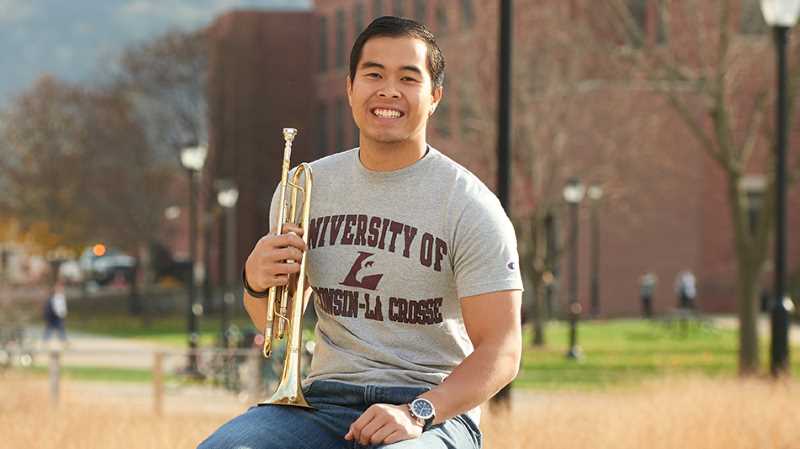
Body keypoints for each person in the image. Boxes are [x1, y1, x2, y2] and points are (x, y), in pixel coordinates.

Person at [198, 16, 523, 449]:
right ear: (350, 88)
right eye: (374, 74)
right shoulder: (304, 186)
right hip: (320, 402)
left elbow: (503, 349)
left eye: (408, 78)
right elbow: (276, 327)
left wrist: (418, 413)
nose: (388, 90)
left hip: (432, 409)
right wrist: (256, 282)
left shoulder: (469, 205)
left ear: (435, 97)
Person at [42, 278, 68, 344]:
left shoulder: (61, 297)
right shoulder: (54, 297)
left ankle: (63, 340)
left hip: (59, 316)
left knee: (60, 328)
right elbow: (51, 307)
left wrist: (63, 313)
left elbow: (62, 307)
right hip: (53, 315)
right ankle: (46, 341)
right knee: (50, 328)